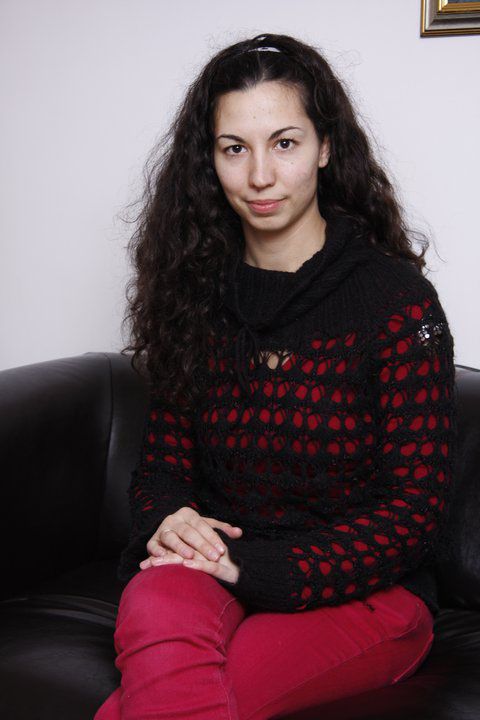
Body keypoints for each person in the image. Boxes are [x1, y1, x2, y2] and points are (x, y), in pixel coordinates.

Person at [95, 32, 458, 720]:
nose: (260, 175)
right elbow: (162, 468)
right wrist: (172, 522)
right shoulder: (194, 296)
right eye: (234, 148)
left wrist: (251, 569)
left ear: (325, 147)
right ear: (209, 161)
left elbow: (415, 515)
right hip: (215, 567)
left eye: (284, 143)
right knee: (156, 598)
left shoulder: (397, 304)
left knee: (184, 695)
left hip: (366, 593)